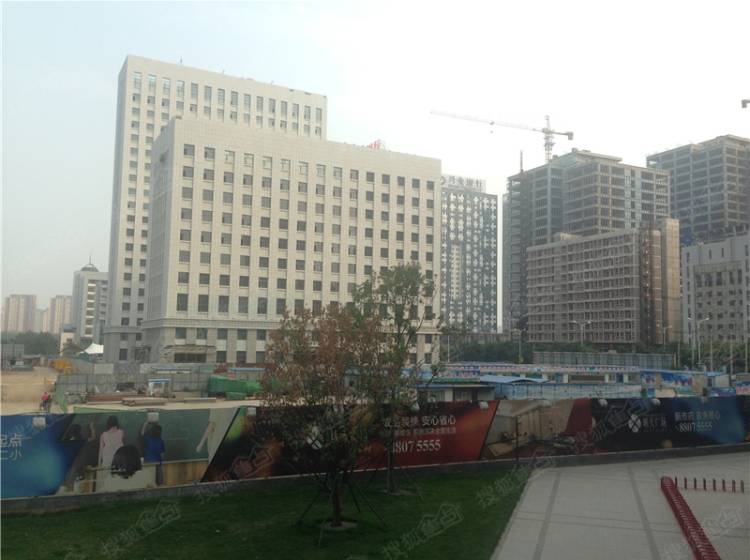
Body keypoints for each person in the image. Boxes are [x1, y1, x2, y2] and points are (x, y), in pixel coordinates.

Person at [141, 420, 166, 486]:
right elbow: (162, 454)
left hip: (148, 462)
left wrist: (145, 423)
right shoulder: (160, 440)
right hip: (158, 462)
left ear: (151, 431)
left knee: (149, 481)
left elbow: (142, 433)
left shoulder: (148, 439)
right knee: (159, 481)